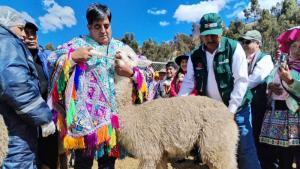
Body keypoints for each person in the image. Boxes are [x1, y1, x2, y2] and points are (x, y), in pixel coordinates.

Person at [47, 3, 146, 169]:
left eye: (106, 26)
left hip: (111, 122)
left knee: (107, 165)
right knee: (82, 165)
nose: (103, 30)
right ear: (89, 27)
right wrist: (72, 58)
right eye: (97, 26)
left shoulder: (122, 48)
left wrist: (130, 73)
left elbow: (146, 73)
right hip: (83, 121)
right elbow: (51, 60)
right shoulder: (78, 44)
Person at [178, 13, 261, 169]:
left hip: (237, 108)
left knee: (244, 147)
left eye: (214, 34)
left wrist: (231, 111)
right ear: (201, 36)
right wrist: (177, 105)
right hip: (212, 112)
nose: (210, 38)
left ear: (221, 32)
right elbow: (188, 82)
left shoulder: (233, 48)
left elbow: (241, 81)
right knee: (215, 150)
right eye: (206, 35)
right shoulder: (195, 56)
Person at [0, 6, 55, 168]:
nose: (24, 34)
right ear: (6, 23)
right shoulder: (7, 42)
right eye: (21, 29)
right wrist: (44, 117)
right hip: (15, 132)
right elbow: (16, 84)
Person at [260, 26, 300, 169]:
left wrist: (290, 81)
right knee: (283, 154)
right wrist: (270, 84)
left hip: (297, 115)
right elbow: (269, 77)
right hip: (279, 114)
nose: (296, 49)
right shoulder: (281, 63)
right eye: (294, 45)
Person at [23, 21, 61, 169]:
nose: (31, 37)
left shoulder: (45, 58)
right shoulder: (15, 60)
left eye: (34, 34)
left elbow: (60, 61)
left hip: (48, 120)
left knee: (50, 160)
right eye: (27, 33)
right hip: (26, 121)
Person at [239, 30, 274, 168]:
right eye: (243, 42)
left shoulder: (265, 59)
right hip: (248, 105)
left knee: (259, 138)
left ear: (258, 43)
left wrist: (237, 84)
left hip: (260, 106)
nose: (244, 44)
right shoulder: (243, 59)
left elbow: (252, 81)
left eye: (248, 42)